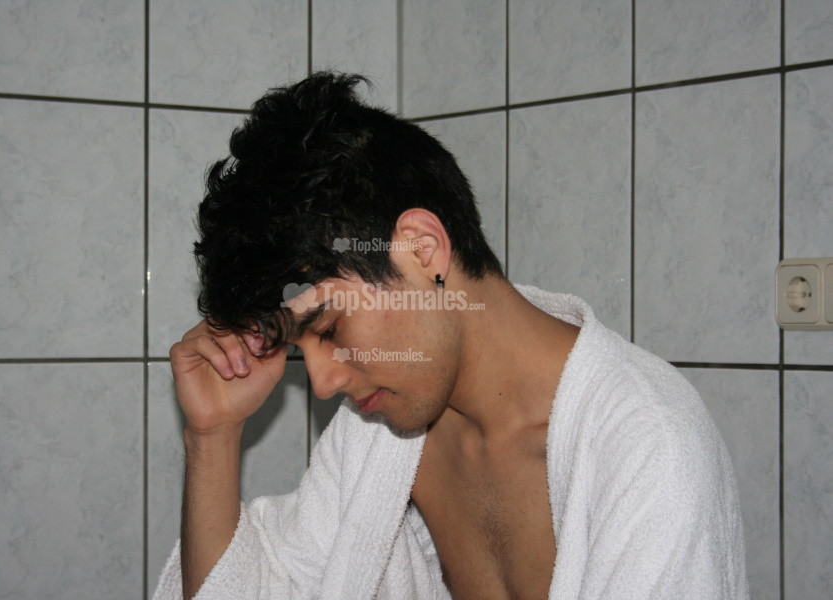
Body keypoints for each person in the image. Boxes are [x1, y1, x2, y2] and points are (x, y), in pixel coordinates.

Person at [152, 72, 749, 600]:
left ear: (422, 252)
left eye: (329, 328)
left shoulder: (649, 450)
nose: (326, 382)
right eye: (298, 350)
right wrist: (213, 436)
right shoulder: (381, 433)